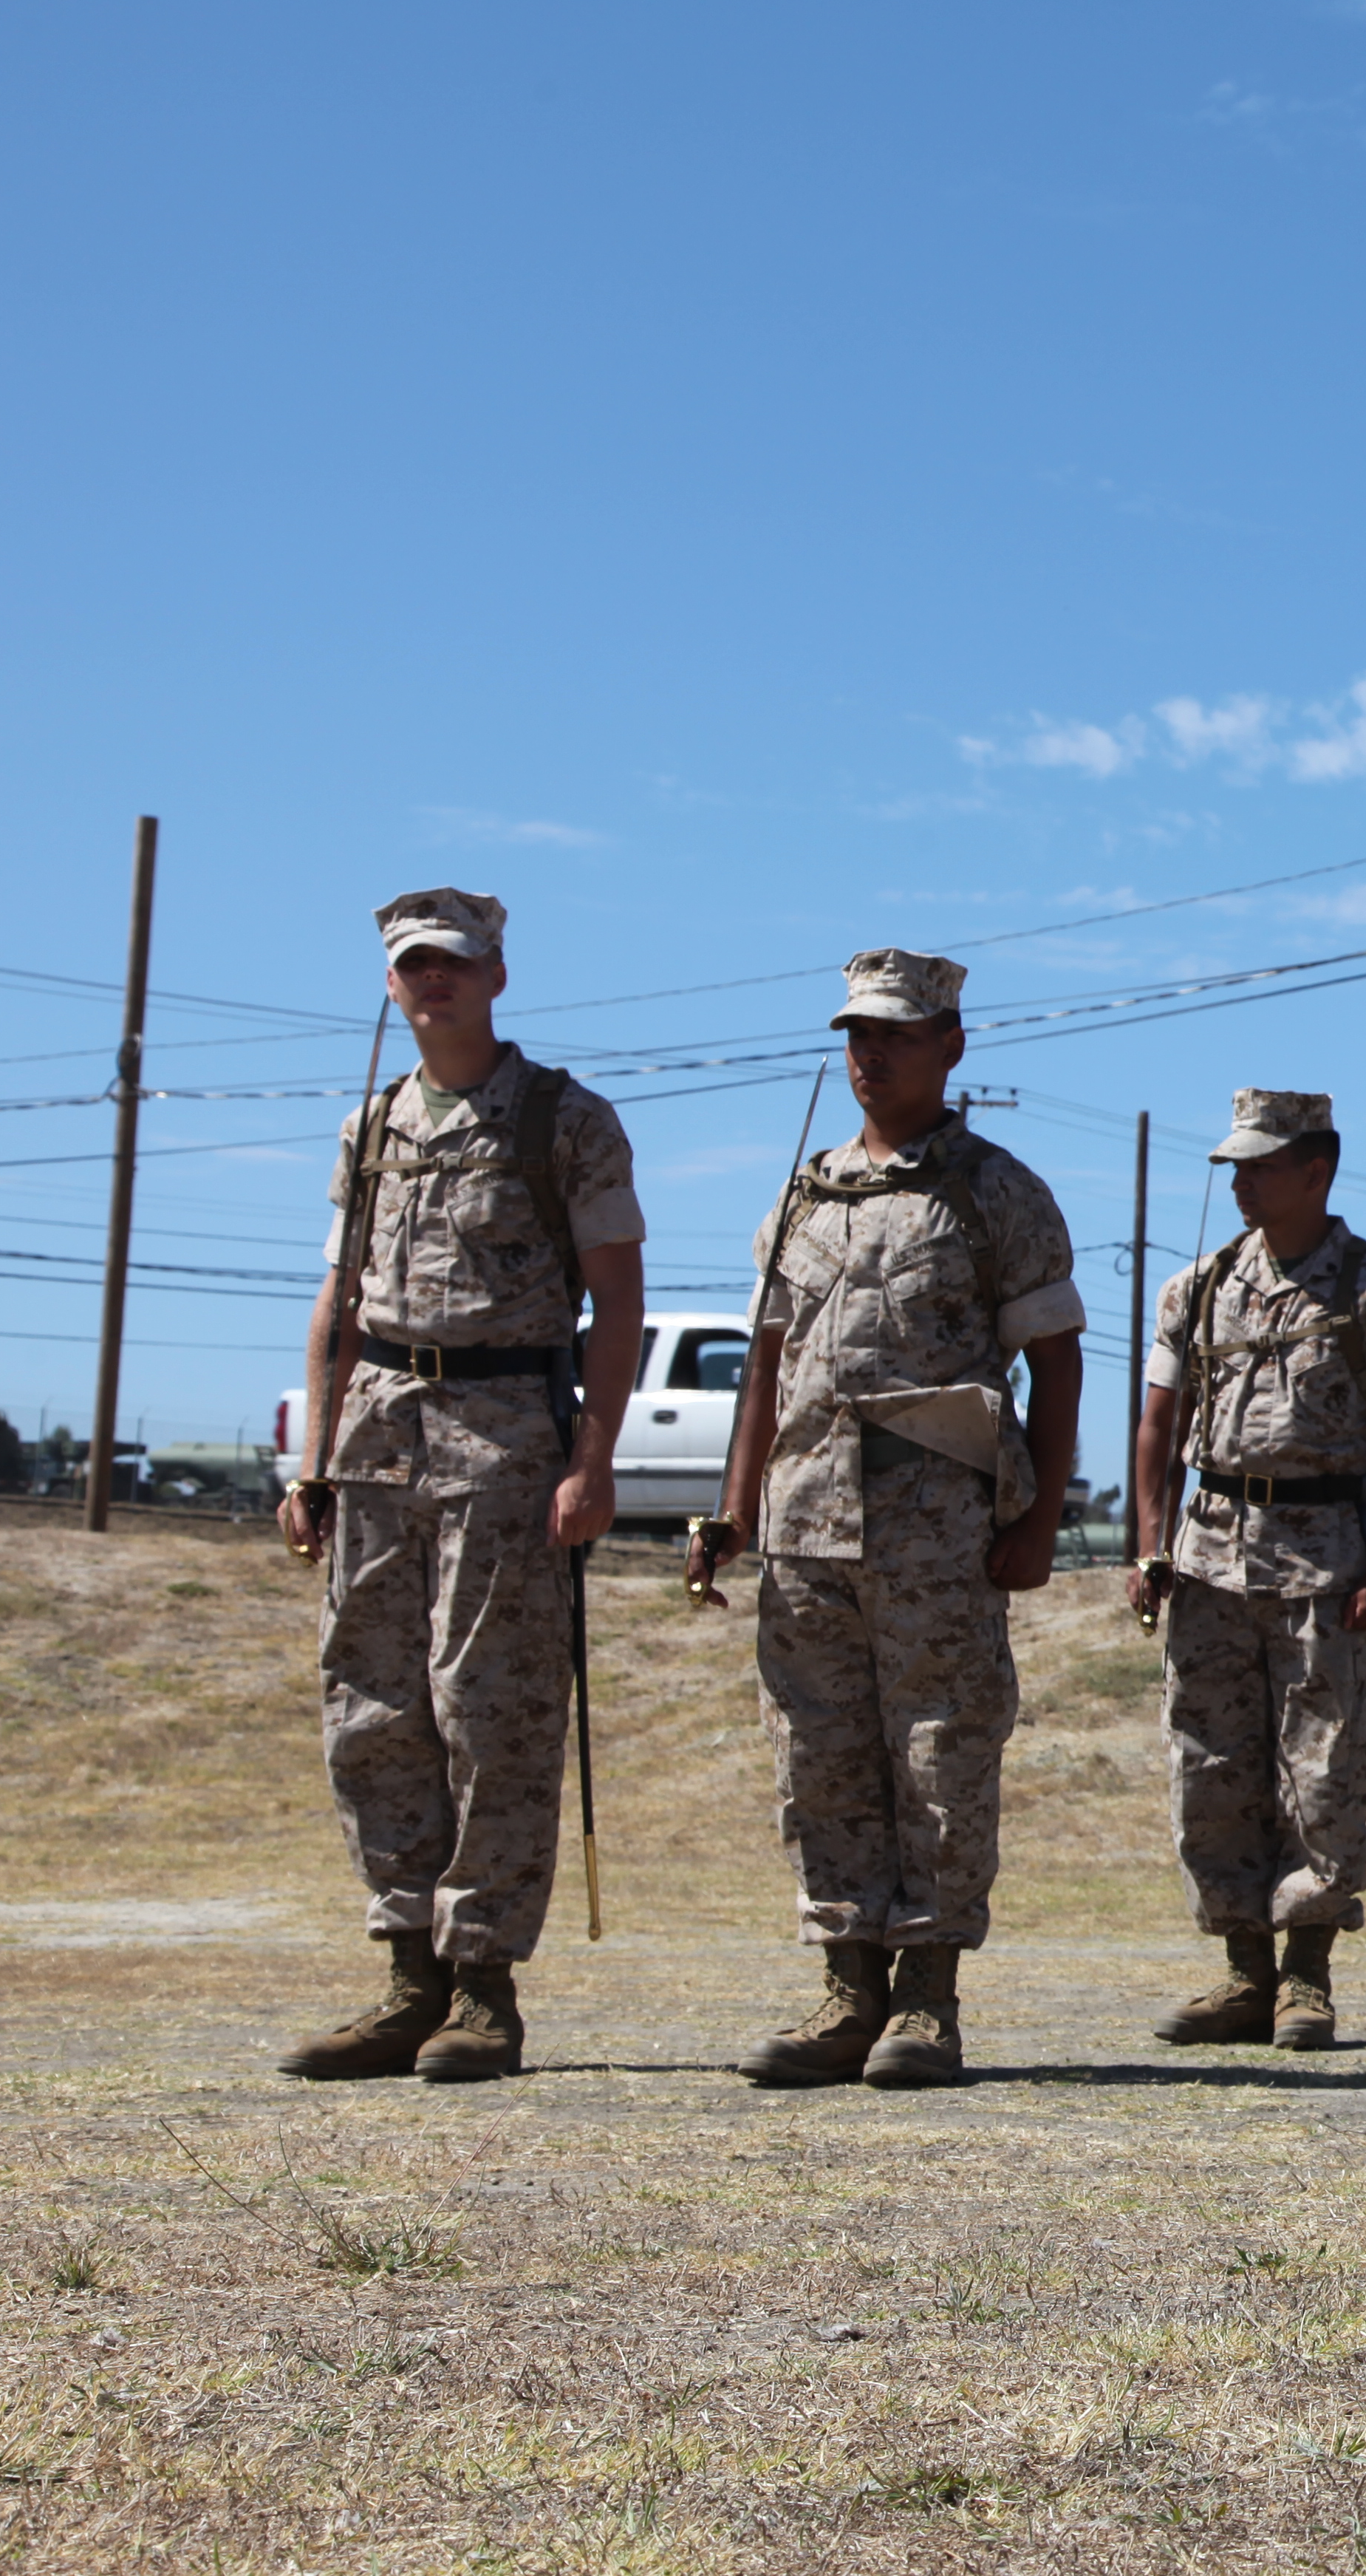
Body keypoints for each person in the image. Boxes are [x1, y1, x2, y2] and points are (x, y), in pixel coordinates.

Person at [688, 951, 1084, 2089]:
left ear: (952, 1045)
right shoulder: (802, 1196)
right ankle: (844, 1990)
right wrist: (733, 1508)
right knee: (820, 1759)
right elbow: (766, 1369)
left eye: (898, 1035)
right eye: (858, 1034)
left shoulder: (994, 1191)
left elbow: (1056, 1366)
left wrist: (1041, 1516)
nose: (871, 1055)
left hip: (938, 1530)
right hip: (804, 1529)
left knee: (940, 1756)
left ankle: (926, 2000)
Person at [273, 889, 646, 2085]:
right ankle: (405, 1972)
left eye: (455, 963)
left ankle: (483, 1983)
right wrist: (313, 1455)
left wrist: (593, 1459)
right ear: (392, 984)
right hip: (378, 1435)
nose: (433, 982)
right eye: (413, 966)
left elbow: (618, 1298)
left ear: (496, 974)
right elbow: (340, 1296)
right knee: (372, 1708)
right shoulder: (368, 1125)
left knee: (490, 1706)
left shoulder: (564, 1120)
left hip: (504, 1442)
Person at [1125, 1089, 1366, 2051]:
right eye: (1234, 1165)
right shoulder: (1195, 1289)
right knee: (1213, 1765)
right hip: (1210, 1553)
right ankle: (1241, 1974)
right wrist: (1150, 1541)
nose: (1241, 1181)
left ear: (1318, 1169)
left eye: (1262, 1164)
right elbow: (1156, 1422)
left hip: (1325, 1557)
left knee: (1322, 1768)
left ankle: (1305, 1977)